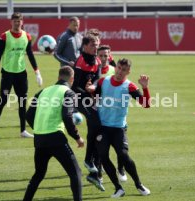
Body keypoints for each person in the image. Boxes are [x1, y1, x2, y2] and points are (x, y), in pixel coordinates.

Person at [86, 58, 151, 198]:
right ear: (116, 68)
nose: (120, 72)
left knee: (123, 155)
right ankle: (118, 188)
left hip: (118, 128)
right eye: (119, 68)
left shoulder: (130, 86)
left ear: (128, 72)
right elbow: (95, 100)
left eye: (124, 70)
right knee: (103, 156)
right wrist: (90, 91)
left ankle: (139, 184)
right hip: (102, 128)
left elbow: (146, 104)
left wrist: (145, 88)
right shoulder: (104, 81)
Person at [23, 66, 84, 201]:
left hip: (39, 139)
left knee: (38, 174)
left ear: (58, 78)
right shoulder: (68, 93)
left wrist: (39, 128)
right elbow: (67, 116)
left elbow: (28, 115)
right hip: (56, 139)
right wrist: (77, 137)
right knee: (75, 173)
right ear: (72, 79)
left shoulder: (42, 91)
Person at [0, 12, 43, 140]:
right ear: (11, 22)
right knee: (3, 100)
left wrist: (37, 72)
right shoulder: (4, 37)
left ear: (22, 22)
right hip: (7, 74)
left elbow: (30, 55)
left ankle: (23, 130)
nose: (17, 23)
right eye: (15, 21)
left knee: (22, 102)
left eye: (19, 21)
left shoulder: (27, 36)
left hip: (21, 74)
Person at [71, 32, 105, 191]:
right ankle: (89, 162)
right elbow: (75, 86)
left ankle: (95, 171)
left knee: (101, 130)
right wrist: (88, 95)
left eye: (97, 44)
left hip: (90, 99)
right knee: (96, 124)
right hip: (79, 98)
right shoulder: (81, 61)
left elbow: (98, 79)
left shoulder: (97, 60)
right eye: (93, 45)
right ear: (85, 46)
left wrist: (94, 88)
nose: (96, 47)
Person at [97, 45, 127, 182]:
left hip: (116, 112)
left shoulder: (114, 70)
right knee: (98, 144)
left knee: (120, 147)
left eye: (106, 55)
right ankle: (98, 171)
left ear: (110, 56)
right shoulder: (92, 69)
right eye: (100, 55)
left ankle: (121, 168)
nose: (103, 58)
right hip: (98, 112)